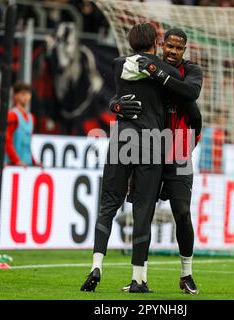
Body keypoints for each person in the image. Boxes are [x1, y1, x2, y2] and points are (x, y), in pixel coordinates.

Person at [81, 23, 188, 293]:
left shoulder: (119, 64)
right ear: (156, 43)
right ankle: (138, 278)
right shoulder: (168, 71)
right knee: (143, 209)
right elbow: (181, 88)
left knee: (108, 203)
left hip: (122, 138)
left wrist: (115, 104)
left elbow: (120, 88)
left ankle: (96, 265)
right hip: (151, 142)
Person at [114, 28, 203, 294]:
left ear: (185, 50)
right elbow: (123, 92)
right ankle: (139, 278)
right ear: (162, 45)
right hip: (148, 149)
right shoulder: (149, 68)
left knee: (183, 213)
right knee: (144, 213)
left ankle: (186, 273)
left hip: (178, 152)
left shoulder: (191, 70)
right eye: (170, 46)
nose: (173, 51)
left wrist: (159, 73)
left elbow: (191, 94)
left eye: (179, 48)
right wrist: (115, 105)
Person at [5, 82, 41, 167]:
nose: (26, 97)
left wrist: (34, 162)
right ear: (15, 96)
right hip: (13, 164)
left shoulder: (31, 118)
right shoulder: (12, 115)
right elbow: (7, 141)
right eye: (23, 94)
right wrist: (16, 160)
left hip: (26, 164)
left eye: (28, 94)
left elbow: (27, 144)